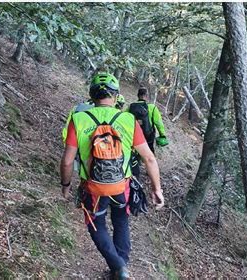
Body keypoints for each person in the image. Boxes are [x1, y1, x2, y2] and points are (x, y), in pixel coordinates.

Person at [60, 72, 164, 280]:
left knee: (96, 224)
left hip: (93, 188)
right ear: (116, 96)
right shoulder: (127, 119)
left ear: (91, 95)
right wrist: (156, 189)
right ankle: (120, 268)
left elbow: (67, 160)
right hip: (121, 186)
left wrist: (66, 184)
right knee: (121, 221)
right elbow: (149, 158)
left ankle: (118, 267)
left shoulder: (78, 119)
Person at [128, 87, 168, 177]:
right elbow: (158, 122)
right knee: (150, 152)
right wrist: (162, 134)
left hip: (134, 134)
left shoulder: (131, 106)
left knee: (134, 151)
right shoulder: (152, 107)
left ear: (138, 95)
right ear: (146, 96)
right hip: (148, 134)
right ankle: (149, 171)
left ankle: (134, 168)